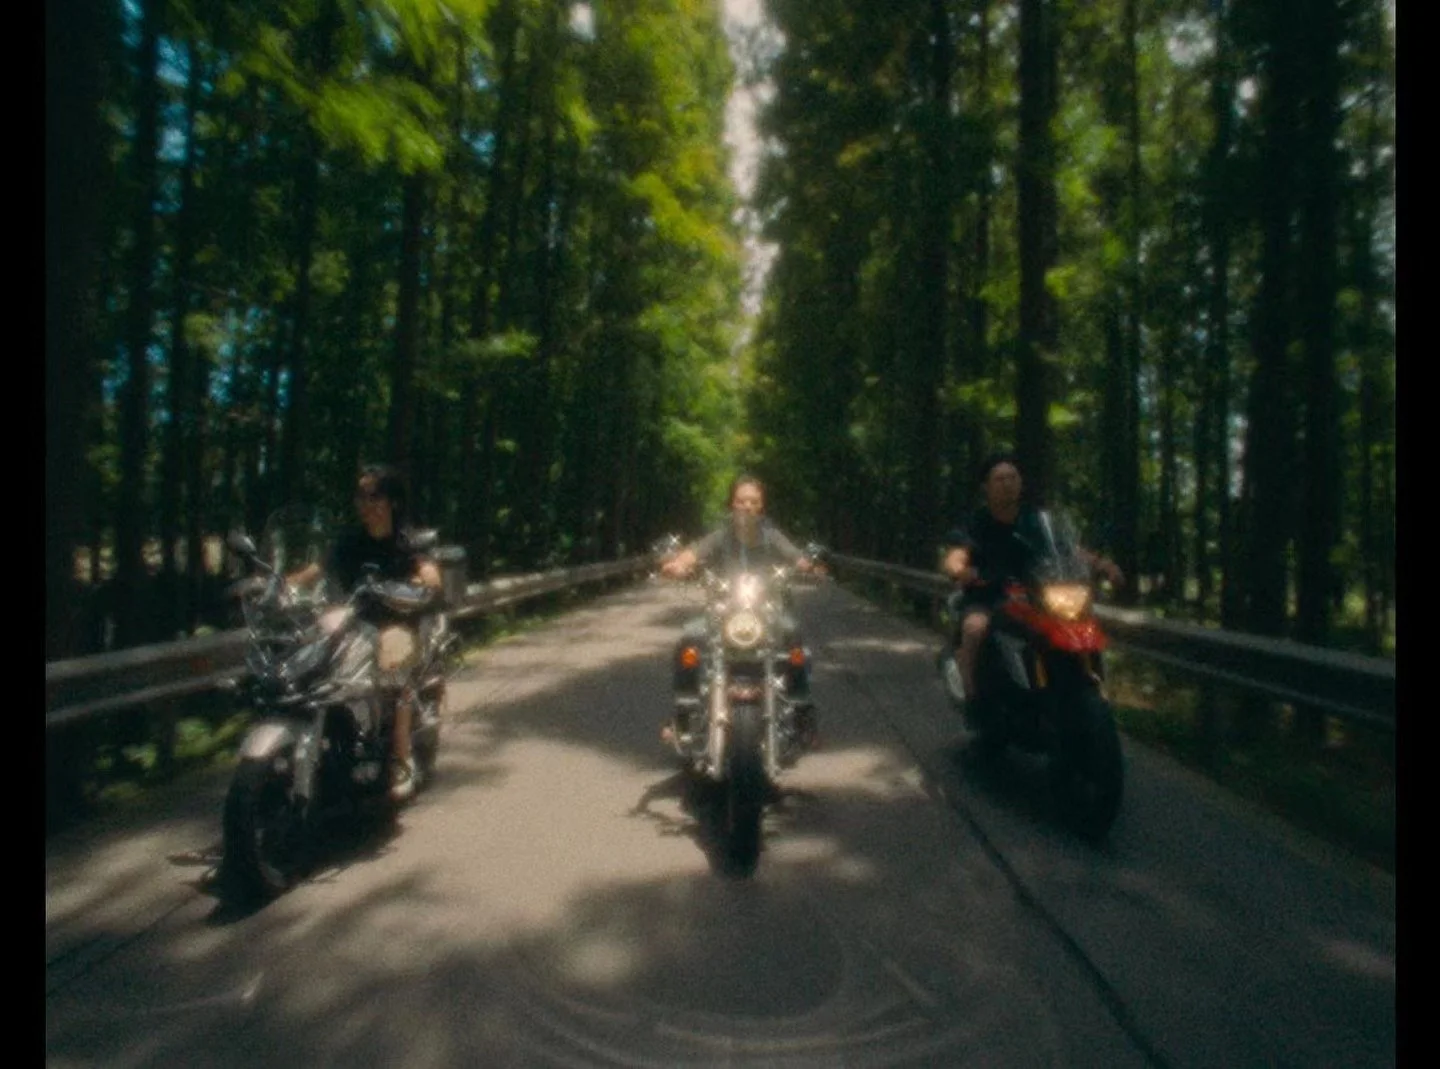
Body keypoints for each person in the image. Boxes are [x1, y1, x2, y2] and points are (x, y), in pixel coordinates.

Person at [287, 464, 442, 802]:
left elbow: (429, 572)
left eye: (374, 495)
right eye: (361, 495)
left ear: (392, 501)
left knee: (393, 671)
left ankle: (402, 758)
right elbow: (316, 570)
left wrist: (424, 582)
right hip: (354, 623)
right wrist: (280, 585)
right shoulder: (350, 541)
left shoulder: (408, 541)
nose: (366, 503)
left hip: (397, 625)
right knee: (313, 664)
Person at [939, 452, 1123, 710]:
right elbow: (957, 554)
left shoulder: (1038, 521)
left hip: (1037, 596)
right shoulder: (975, 522)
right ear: (987, 487)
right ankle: (971, 694)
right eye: (1000, 479)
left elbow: (1071, 550)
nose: (1007, 484)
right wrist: (959, 569)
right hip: (990, 595)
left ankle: (1086, 686)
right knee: (974, 628)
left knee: (1080, 620)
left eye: (1012, 477)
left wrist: (1103, 566)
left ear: (1021, 482)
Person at [659, 475, 825, 755]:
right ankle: (683, 714)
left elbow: (794, 555)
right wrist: (677, 564)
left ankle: (802, 711)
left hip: (766, 613)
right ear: (732, 504)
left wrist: (809, 565)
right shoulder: (721, 535)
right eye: (741, 501)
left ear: (761, 507)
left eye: (753, 501)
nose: (747, 506)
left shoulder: (771, 535)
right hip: (723, 612)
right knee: (688, 639)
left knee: (795, 641)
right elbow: (695, 552)